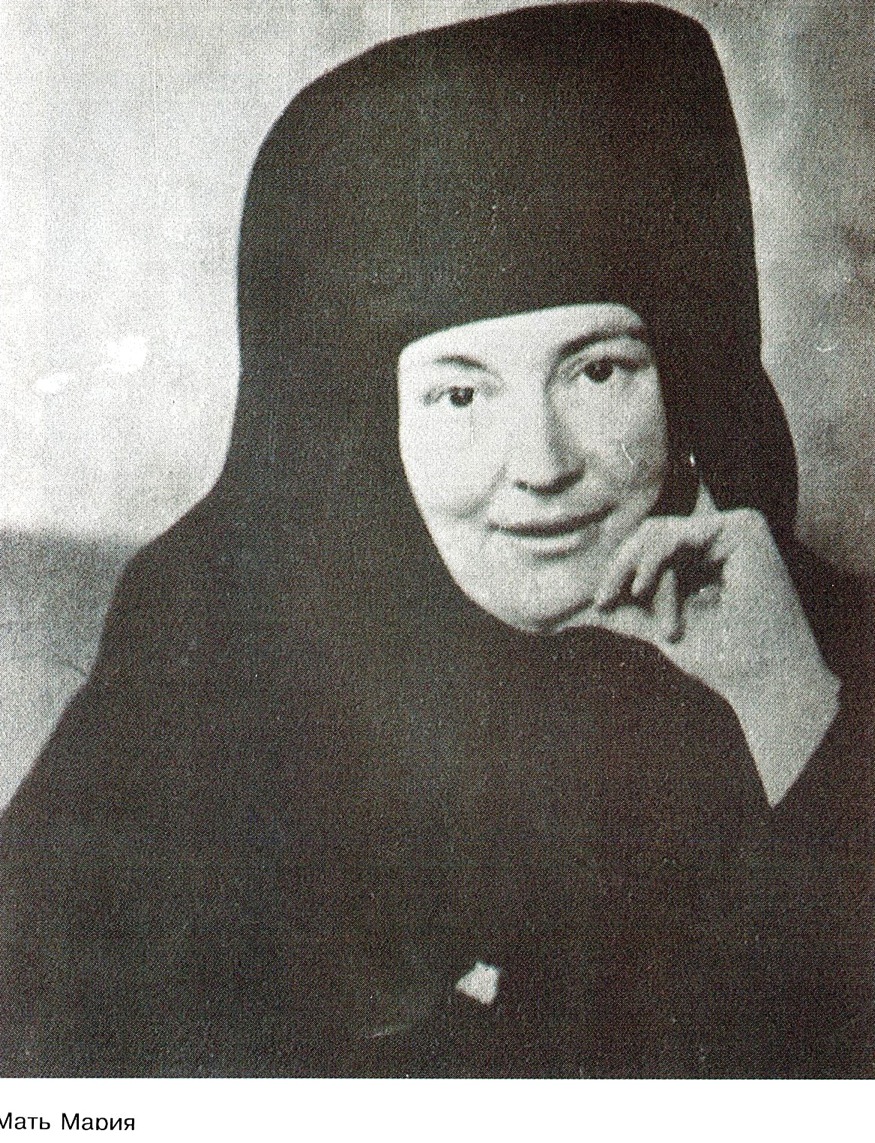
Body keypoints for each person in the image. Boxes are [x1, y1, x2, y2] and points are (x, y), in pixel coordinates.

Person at [0, 2, 871, 1078]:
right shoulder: (208, 650)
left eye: (598, 370)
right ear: (374, 430)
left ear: (685, 381)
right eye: (459, 395)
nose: (540, 464)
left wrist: (787, 704)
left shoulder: (818, 648)